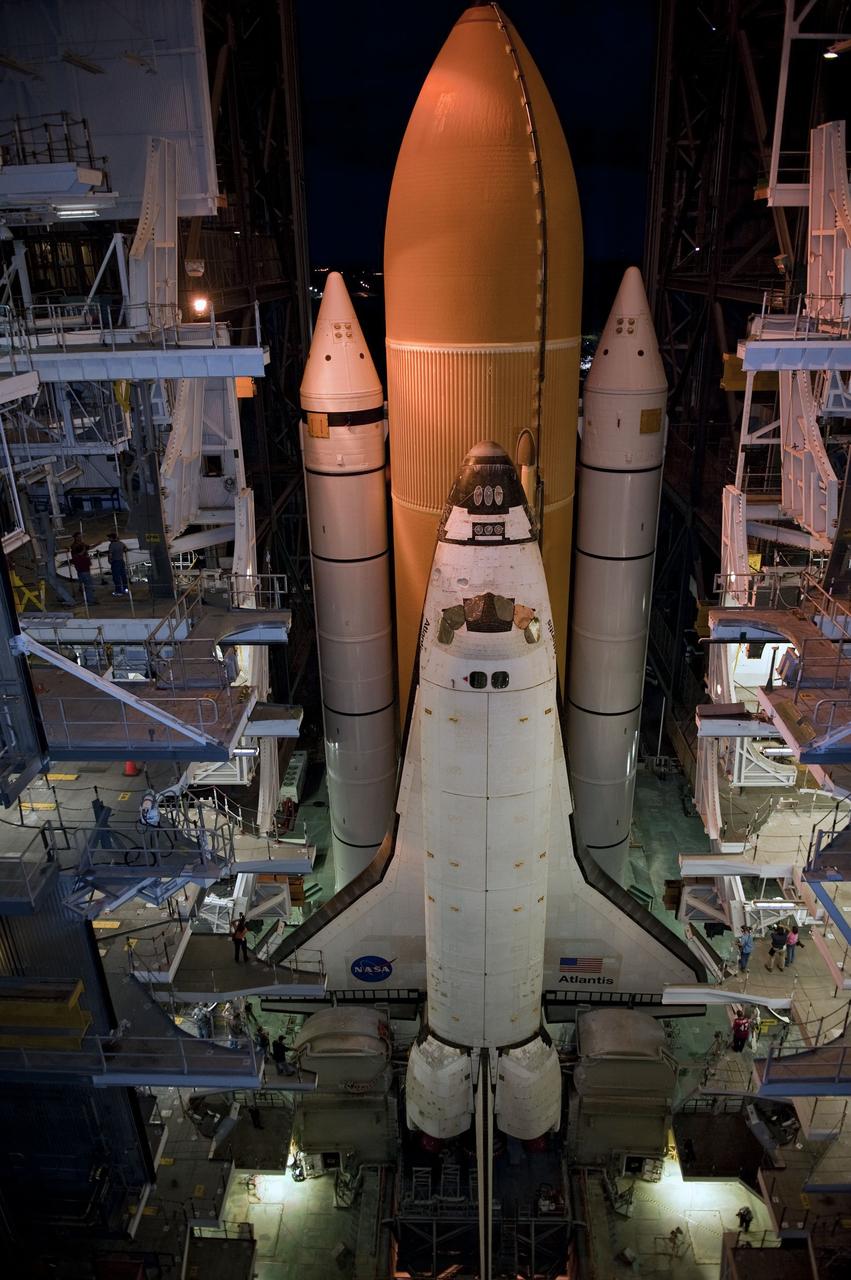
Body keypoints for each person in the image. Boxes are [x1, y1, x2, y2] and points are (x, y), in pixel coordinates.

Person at [69, 536, 96, 604]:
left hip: (80, 573)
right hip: (86, 573)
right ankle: (90, 600)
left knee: (83, 586)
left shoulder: (75, 557)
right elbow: (89, 564)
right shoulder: (85, 558)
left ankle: (86, 598)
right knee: (89, 587)